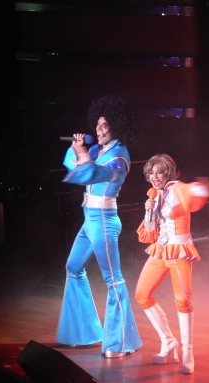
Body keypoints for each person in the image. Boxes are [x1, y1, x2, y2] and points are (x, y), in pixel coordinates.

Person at [56, 95, 142, 358]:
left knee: (113, 279)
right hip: (89, 220)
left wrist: (83, 152)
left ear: (117, 127)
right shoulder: (97, 151)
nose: (100, 129)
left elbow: (91, 173)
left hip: (104, 221)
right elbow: (73, 164)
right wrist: (79, 148)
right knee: (73, 267)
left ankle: (120, 343)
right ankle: (83, 333)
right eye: (98, 124)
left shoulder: (119, 156)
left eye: (106, 125)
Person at [134, 154, 209, 374]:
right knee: (142, 294)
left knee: (183, 299)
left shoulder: (177, 189)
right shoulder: (155, 195)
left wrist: (201, 189)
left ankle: (188, 351)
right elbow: (150, 233)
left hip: (178, 250)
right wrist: (148, 211)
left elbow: (192, 192)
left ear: (169, 173)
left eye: (159, 172)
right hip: (161, 249)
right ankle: (168, 341)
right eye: (151, 173)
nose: (154, 177)